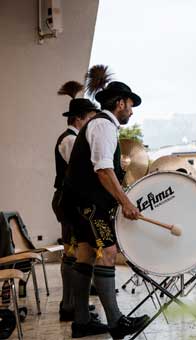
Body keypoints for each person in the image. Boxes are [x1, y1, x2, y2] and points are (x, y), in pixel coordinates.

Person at [63, 65, 149, 338]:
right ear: (120, 103)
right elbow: (102, 169)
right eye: (130, 105)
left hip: (79, 201)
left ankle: (81, 321)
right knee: (109, 253)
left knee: (86, 253)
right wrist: (125, 202)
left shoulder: (97, 124)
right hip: (89, 204)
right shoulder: (103, 125)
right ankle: (116, 323)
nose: (132, 111)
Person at [52, 81, 98, 321]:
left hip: (67, 200)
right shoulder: (70, 140)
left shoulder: (73, 138)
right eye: (91, 117)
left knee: (72, 252)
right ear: (80, 118)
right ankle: (68, 305)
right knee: (71, 252)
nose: (93, 122)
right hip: (67, 200)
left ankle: (70, 303)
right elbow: (77, 173)